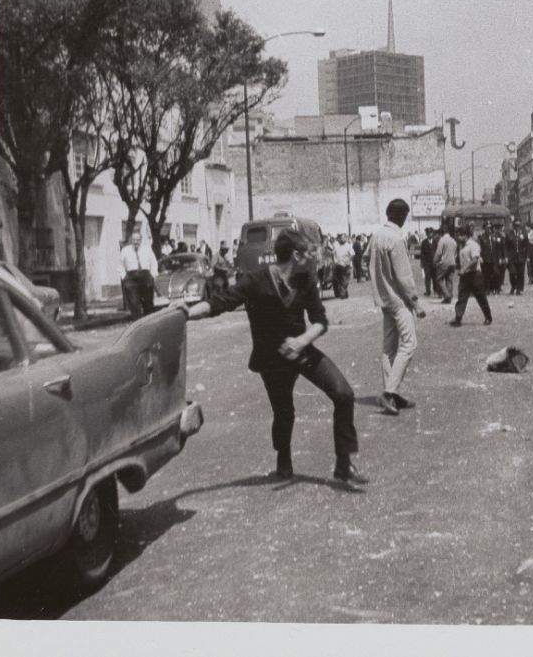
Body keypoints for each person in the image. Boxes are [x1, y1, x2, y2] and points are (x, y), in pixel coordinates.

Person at [176, 229, 366, 488]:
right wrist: (186, 313)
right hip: (271, 358)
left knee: (343, 393)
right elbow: (220, 302)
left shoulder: (306, 279)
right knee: (284, 413)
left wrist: (301, 341)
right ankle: (284, 457)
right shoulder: (255, 281)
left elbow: (320, 321)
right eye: (311, 253)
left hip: (301, 351)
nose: (315, 258)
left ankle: (343, 465)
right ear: (297, 255)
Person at [370, 199, 426, 417]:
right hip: (398, 301)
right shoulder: (396, 239)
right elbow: (404, 277)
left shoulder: (376, 237)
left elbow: (367, 260)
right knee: (410, 344)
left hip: (383, 298)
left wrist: (380, 283)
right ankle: (389, 391)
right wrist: (416, 302)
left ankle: (392, 394)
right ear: (403, 216)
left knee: (389, 348)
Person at [449, 225, 492, 327]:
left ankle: (488, 316)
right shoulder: (462, 247)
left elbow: (475, 259)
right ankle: (458, 318)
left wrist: (464, 269)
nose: (457, 238)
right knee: (462, 296)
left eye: (458, 235)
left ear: (464, 235)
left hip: (474, 275)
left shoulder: (473, 245)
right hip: (465, 276)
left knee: (481, 297)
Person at [119, 231, 158, 320]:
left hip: (145, 277)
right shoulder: (125, 250)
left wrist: (152, 275)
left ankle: (149, 322)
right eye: (133, 240)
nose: (135, 242)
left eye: (137, 239)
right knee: (134, 303)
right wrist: (124, 277)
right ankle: (137, 323)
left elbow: (154, 263)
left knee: (148, 303)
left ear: (141, 240)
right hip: (131, 278)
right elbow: (120, 265)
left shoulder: (147, 249)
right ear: (131, 240)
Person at [433, 225, 458, 304]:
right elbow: (456, 253)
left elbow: (439, 252)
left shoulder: (442, 240)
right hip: (453, 263)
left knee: (438, 279)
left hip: (444, 263)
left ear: (441, 233)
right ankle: (449, 297)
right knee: (449, 280)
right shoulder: (453, 241)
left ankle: (446, 295)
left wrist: (435, 261)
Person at [505, 219, 530, 295]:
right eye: (516, 225)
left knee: (520, 273)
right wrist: (506, 256)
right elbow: (506, 246)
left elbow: (527, 246)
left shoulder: (524, 234)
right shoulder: (509, 234)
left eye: (518, 225)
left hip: (521, 257)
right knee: (512, 273)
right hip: (512, 257)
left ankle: (519, 289)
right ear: (513, 226)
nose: (517, 227)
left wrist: (528, 256)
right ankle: (513, 286)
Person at [331, 233, 354, 299]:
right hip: (338, 265)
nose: (341, 239)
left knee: (345, 280)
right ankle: (345, 293)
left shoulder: (348, 246)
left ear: (346, 238)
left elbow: (352, 254)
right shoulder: (337, 246)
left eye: (343, 238)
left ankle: (343, 294)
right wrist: (335, 261)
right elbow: (333, 253)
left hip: (346, 265)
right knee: (340, 280)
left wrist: (348, 261)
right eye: (340, 238)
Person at [419, 227, 436, 296]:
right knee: (427, 277)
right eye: (428, 233)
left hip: (434, 263)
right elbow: (422, 254)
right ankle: (428, 291)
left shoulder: (436, 241)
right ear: (426, 234)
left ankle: (436, 290)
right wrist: (422, 263)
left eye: (431, 233)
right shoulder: (424, 242)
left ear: (433, 233)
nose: (430, 234)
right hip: (427, 263)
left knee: (435, 277)